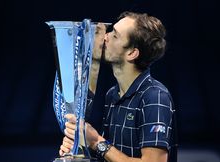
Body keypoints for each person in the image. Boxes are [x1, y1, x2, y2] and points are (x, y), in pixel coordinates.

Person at [59, 11, 178, 162]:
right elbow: (112, 155)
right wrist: (80, 147)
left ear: (132, 53)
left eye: (114, 35)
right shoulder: (112, 94)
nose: (104, 37)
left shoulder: (155, 97)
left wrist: (96, 141)